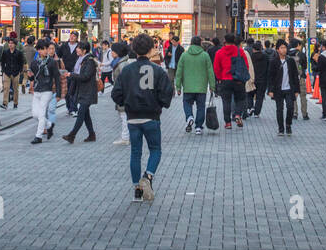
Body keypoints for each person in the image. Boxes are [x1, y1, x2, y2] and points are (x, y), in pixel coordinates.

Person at [111, 33, 174, 202]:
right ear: (151, 49)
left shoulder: (127, 70)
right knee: (155, 149)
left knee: (135, 153)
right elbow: (167, 93)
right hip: (151, 116)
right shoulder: (158, 70)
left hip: (132, 117)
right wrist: (160, 105)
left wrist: (126, 103)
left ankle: (136, 190)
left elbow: (116, 94)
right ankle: (148, 176)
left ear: (134, 49)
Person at [174, 35, 215, 134]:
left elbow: (179, 72)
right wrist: (212, 86)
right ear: (200, 44)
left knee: (187, 103)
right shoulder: (205, 55)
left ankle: (189, 117)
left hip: (188, 87)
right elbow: (210, 72)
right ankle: (198, 127)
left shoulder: (184, 55)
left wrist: (178, 87)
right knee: (200, 107)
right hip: (201, 87)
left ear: (191, 43)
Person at [62, 41, 99, 143]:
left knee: (81, 114)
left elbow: (85, 76)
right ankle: (92, 135)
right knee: (86, 114)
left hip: (88, 91)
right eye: (77, 47)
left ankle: (72, 135)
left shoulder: (89, 61)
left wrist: (71, 75)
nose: (77, 49)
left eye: (79, 48)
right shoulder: (81, 60)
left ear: (84, 50)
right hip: (82, 90)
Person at [212, 33, 247, 129]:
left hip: (225, 79)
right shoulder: (240, 51)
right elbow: (245, 65)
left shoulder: (219, 52)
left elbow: (216, 68)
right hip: (238, 80)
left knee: (226, 101)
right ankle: (237, 115)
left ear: (225, 41)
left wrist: (219, 78)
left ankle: (228, 123)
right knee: (240, 99)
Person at [266, 39, 301, 137]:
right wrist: (270, 90)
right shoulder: (273, 61)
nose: (284, 50)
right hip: (278, 89)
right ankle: (281, 128)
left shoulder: (290, 61)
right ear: (277, 49)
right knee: (279, 109)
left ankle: (288, 124)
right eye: (281, 48)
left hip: (289, 88)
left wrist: (297, 90)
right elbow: (270, 77)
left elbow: (295, 76)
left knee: (290, 107)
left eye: (285, 47)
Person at [29, 38, 61, 144]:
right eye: (41, 49)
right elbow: (32, 77)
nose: (43, 51)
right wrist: (30, 79)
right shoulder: (34, 63)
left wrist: (59, 93)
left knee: (42, 113)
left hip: (47, 90)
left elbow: (57, 77)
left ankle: (38, 136)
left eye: (44, 49)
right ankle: (49, 125)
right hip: (37, 90)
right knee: (35, 114)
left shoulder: (52, 62)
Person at [0, 37, 25, 108]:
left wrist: (20, 70)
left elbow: (21, 62)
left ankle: (15, 102)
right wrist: (3, 70)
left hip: (16, 73)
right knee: (6, 88)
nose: (10, 45)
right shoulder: (5, 52)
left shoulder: (19, 53)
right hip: (7, 72)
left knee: (15, 88)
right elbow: (2, 61)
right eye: (9, 43)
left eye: (12, 43)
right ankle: (5, 103)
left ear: (15, 45)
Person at [247, 39, 268, 118]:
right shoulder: (265, 57)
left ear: (253, 49)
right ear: (261, 48)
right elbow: (267, 68)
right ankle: (257, 113)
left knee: (250, 95)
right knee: (260, 97)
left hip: (252, 79)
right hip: (262, 80)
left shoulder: (251, 57)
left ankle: (250, 107)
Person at [291, 39, 311, 120]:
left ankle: (294, 113)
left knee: (293, 97)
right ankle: (304, 114)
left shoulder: (288, 54)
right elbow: (305, 66)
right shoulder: (302, 55)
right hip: (301, 78)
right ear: (298, 45)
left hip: (292, 78)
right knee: (303, 96)